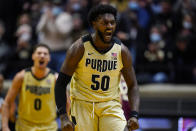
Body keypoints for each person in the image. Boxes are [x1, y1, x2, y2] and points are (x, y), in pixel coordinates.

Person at [55, 4, 140, 131]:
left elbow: (132, 85)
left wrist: (134, 115)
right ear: (94, 24)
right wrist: (63, 117)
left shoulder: (122, 51)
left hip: (110, 104)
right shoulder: (79, 48)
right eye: (105, 23)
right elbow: (61, 84)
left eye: (112, 23)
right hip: (83, 104)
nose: (110, 27)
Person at [2, 44, 58, 131]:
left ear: (49, 58)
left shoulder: (55, 78)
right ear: (33, 56)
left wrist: (68, 122)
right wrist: (5, 127)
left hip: (49, 127)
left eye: (45, 54)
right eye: (39, 53)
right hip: (25, 126)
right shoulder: (21, 76)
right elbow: (7, 103)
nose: (42, 56)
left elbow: (67, 103)